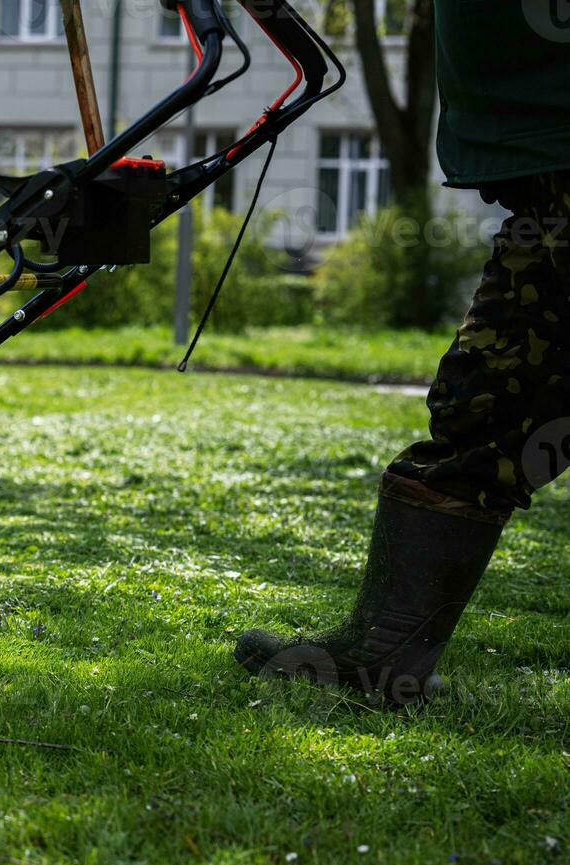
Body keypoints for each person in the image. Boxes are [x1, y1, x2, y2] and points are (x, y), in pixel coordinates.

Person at [233, 4, 570, 704]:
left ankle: (385, 654)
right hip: (545, 172)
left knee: (493, 400)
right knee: (491, 403)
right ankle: (385, 653)